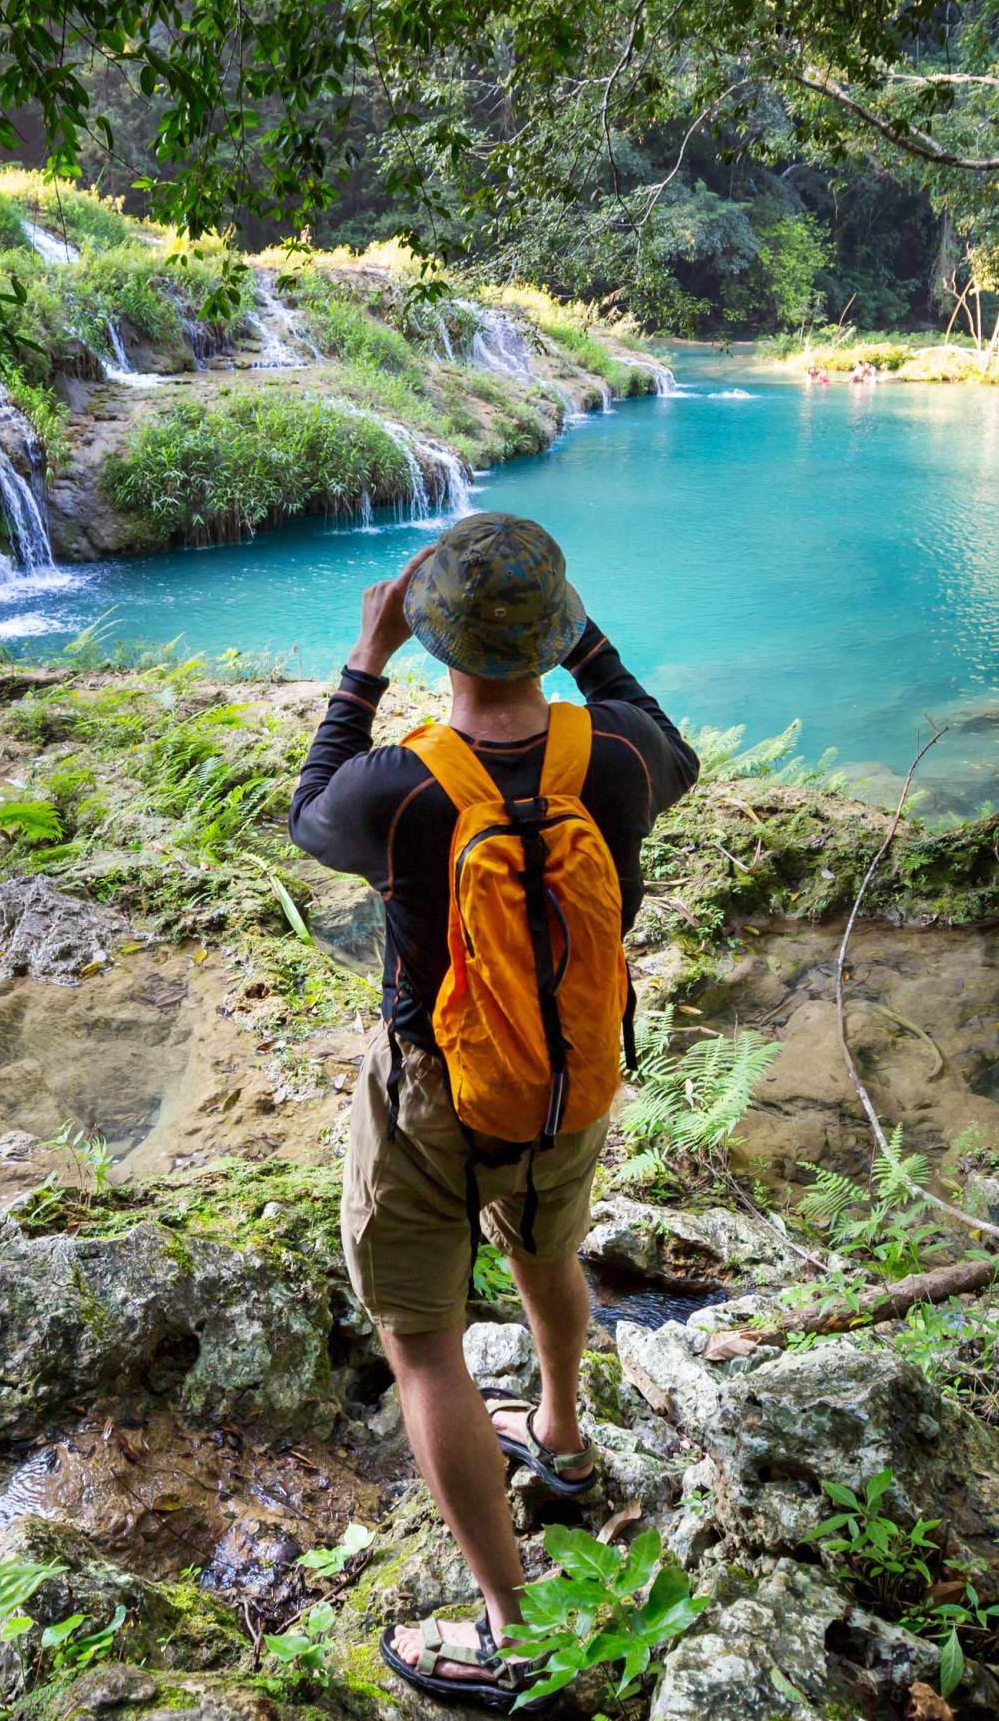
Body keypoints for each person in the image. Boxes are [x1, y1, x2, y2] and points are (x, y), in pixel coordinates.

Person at [290, 513, 698, 1710]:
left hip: (430, 1093)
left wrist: (362, 663)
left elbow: (310, 806)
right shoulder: (616, 753)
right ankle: (561, 1439)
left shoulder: (398, 788)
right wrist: (581, 640)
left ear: (429, 638)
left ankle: (512, 1630)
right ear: (560, 631)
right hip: (570, 1077)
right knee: (548, 1244)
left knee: (421, 1345)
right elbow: (665, 732)